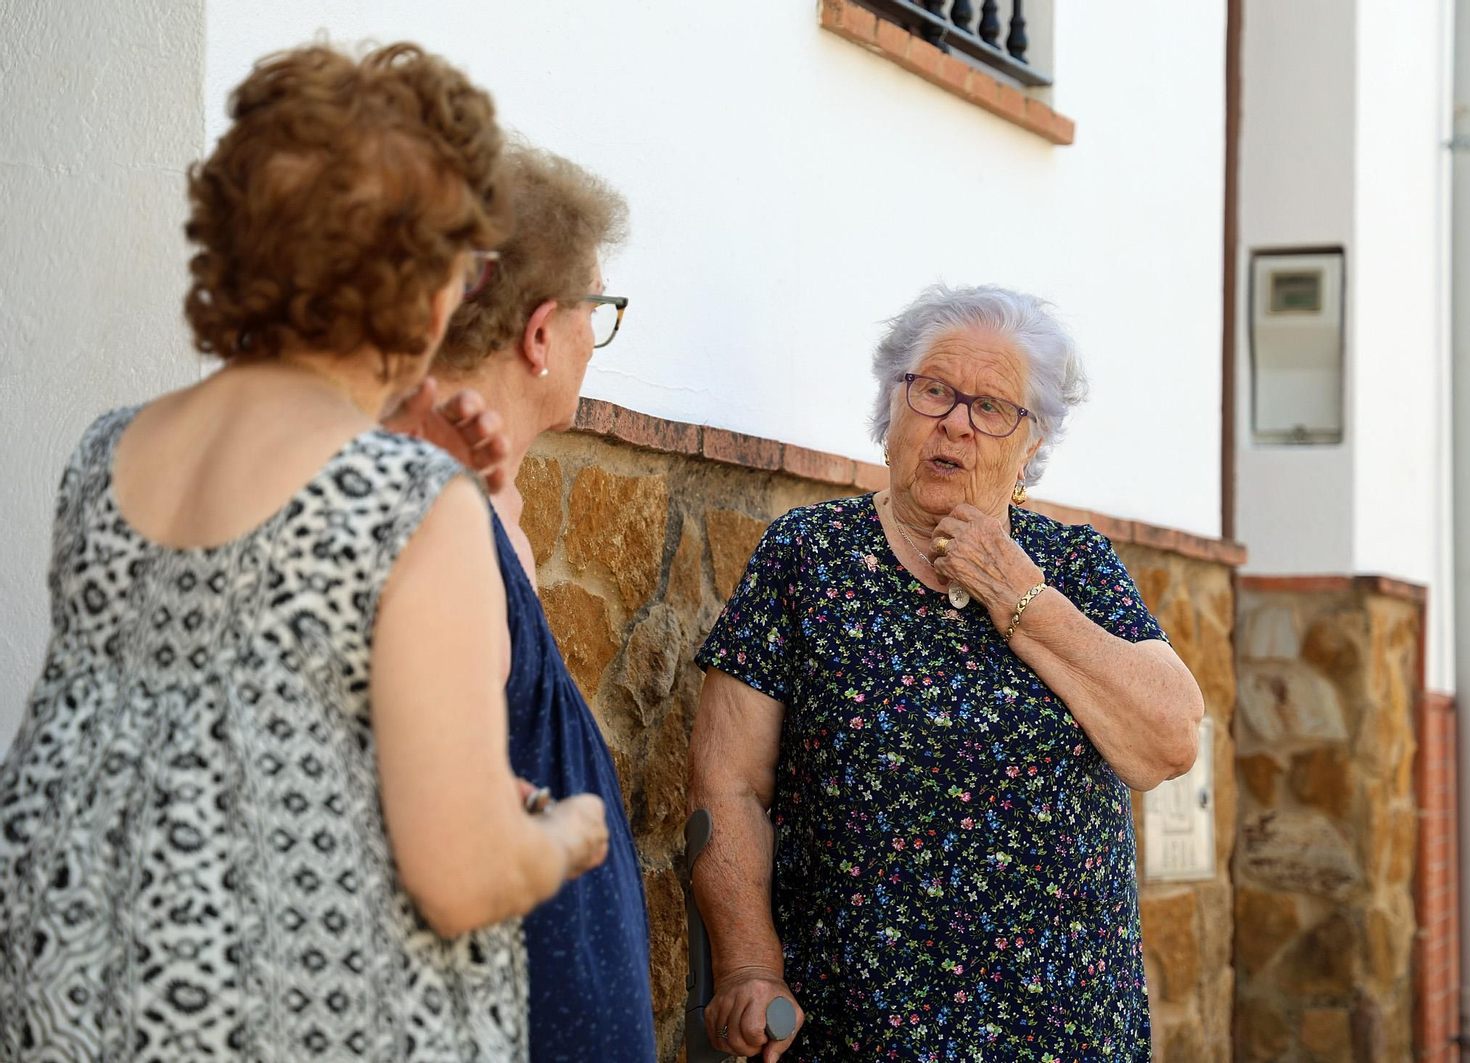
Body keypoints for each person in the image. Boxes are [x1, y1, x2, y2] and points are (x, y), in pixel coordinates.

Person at [0, 43, 609, 1060]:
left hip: (80, 1000)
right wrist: (563, 836)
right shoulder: (414, 504)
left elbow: (219, 720)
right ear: (425, 288)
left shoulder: (106, 454)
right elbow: (459, 877)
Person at [688, 285, 1207, 1062]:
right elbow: (726, 783)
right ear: (890, 409)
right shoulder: (810, 557)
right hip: (861, 1028)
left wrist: (1015, 592)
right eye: (933, 390)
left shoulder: (1076, 568)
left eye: (992, 407)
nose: (956, 421)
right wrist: (749, 964)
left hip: (1064, 1031)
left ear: (1030, 445)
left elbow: (1168, 740)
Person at [427, 143, 654, 1060]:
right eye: (596, 311)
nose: (593, 342)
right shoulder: (442, 530)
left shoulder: (482, 510)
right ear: (540, 332)